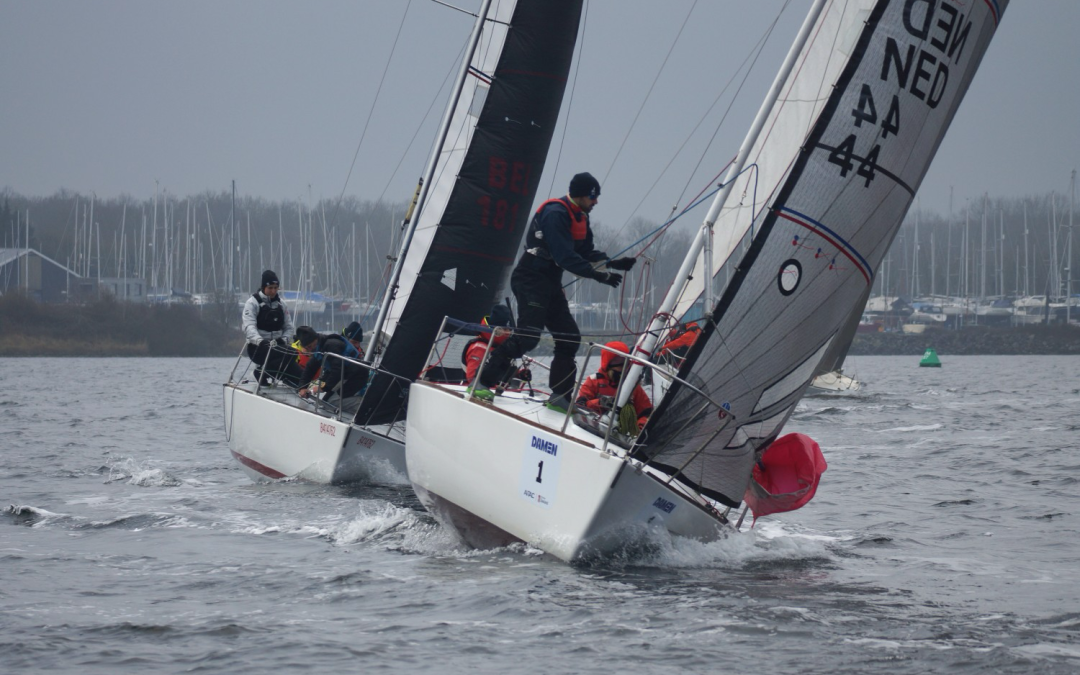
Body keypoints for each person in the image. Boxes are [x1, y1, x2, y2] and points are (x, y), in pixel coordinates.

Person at [481, 172, 636, 411]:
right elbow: (564, 256)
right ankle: (482, 383)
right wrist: (598, 275)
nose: (596, 202)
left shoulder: (580, 216)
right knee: (529, 336)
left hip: (550, 282)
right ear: (582, 195)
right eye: (593, 197)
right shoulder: (555, 214)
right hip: (531, 279)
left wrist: (613, 264)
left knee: (569, 337)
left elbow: (584, 253)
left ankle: (559, 397)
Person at [575, 341, 653, 435]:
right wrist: (601, 402)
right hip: (593, 427)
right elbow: (580, 405)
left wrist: (638, 429)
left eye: (623, 360)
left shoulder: (633, 387)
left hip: (621, 434)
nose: (621, 365)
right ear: (607, 363)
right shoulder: (593, 381)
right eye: (616, 360)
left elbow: (647, 413)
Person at [242, 270, 302, 386]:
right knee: (292, 352)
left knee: (301, 377)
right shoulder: (252, 303)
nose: (273, 291)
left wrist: (283, 339)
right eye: (270, 288)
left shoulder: (281, 304)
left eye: (276, 288)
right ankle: (260, 373)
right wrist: (260, 341)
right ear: (263, 287)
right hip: (258, 348)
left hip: (277, 346)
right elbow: (249, 326)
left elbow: (289, 327)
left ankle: (293, 384)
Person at [294, 325, 368, 401]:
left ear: (316, 339)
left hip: (356, 376)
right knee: (325, 400)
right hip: (345, 375)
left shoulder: (331, 345)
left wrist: (323, 388)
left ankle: (362, 404)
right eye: (307, 348)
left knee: (331, 401)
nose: (310, 350)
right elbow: (310, 368)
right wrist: (302, 387)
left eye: (310, 346)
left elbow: (337, 369)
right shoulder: (318, 348)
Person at [462, 305, 518, 400]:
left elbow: (499, 368)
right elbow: (472, 376)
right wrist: (495, 386)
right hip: (475, 391)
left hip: (497, 391)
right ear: (496, 330)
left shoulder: (500, 348)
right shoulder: (479, 348)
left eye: (510, 330)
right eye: (505, 329)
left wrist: (519, 374)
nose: (508, 333)